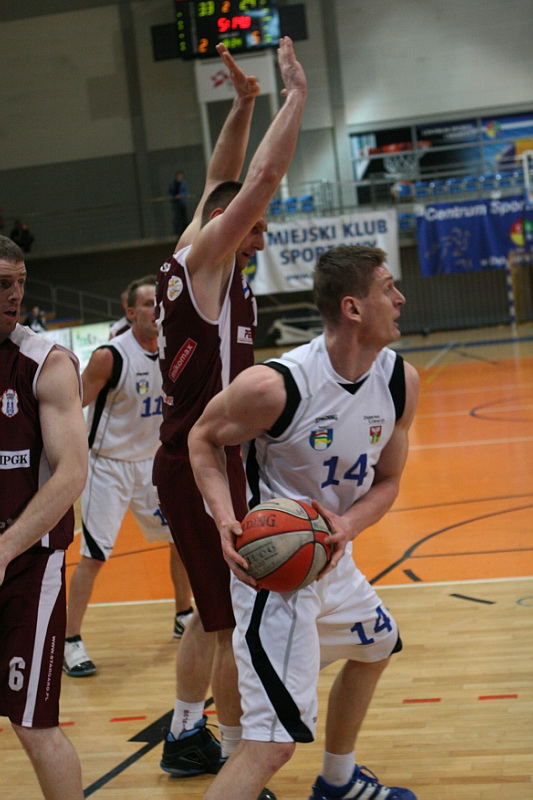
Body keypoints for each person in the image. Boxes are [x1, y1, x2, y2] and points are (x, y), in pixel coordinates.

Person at [188, 245, 420, 800]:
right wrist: (224, 518)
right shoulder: (275, 387)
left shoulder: (399, 381)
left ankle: (339, 781)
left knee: (378, 645)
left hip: (332, 558)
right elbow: (201, 438)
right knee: (271, 748)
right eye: (387, 287)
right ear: (352, 308)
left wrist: (348, 525)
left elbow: (388, 481)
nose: (400, 298)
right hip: (279, 579)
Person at [152, 37, 306, 797]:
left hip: (196, 457)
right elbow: (257, 179)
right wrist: (292, 99)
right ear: (225, 225)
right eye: (255, 224)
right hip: (198, 461)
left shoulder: (198, 252)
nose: (262, 231)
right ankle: (242, 761)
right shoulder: (209, 261)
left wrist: (242, 106)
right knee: (230, 624)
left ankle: (186, 734)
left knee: (211, 615)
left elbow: (223, 179)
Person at [63, 275, 193, 678]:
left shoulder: (175, 351)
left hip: (152, 465)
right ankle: (69, 640)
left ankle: (183, 614)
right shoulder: (110, 357)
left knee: (180, 540)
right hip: (109, 466)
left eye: (160, 303)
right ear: (131, 312)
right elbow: (71, 405)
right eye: (149, 304)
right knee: (94, 555)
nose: (157, 310)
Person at [0, 235, 87, 800]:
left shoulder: (46, 363)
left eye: (21, 283)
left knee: (33, 725)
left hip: (29, 564)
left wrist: (6, 548)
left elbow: (72, 473)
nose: (16, 295)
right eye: (2, 284)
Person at [168, 170, 189, 237]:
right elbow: (170, 191)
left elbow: (185, 192)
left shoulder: (183, 183)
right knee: (176, 217)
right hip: (175, 202)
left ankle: (184, 230)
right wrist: (171, 196)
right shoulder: (173, 183)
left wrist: (180, 195)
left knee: (183, 217)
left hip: (181, 202)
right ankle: (177, 231)